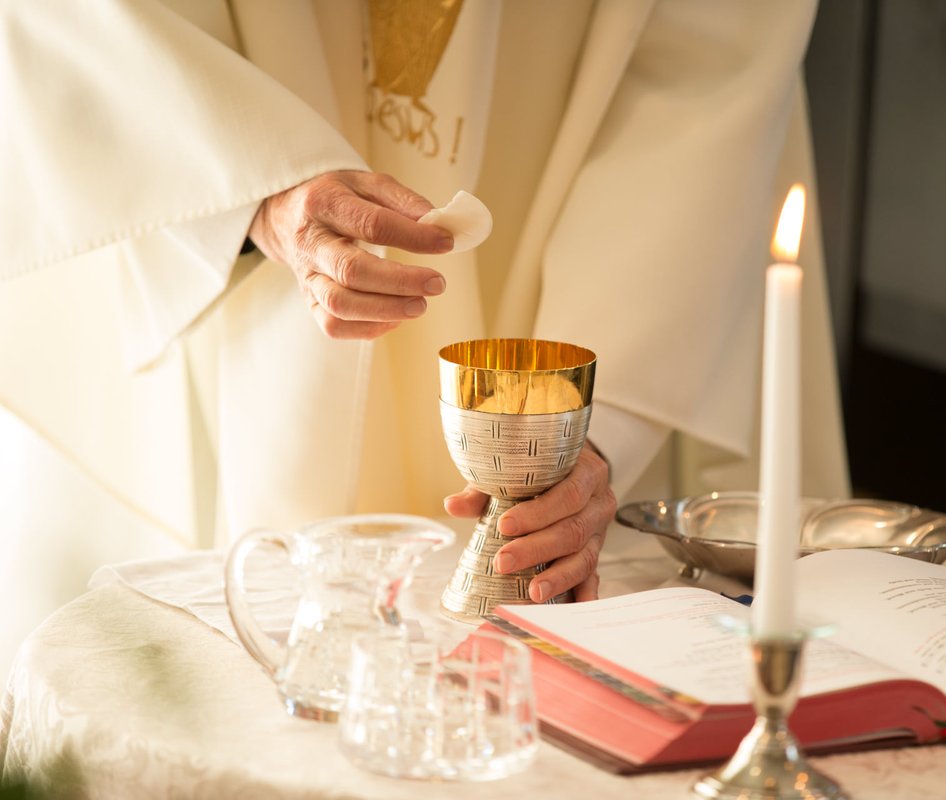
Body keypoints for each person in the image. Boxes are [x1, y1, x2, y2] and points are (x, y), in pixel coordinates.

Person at [0, 0, 848, 675]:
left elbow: (706, 68)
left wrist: (594, 428)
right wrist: (249, 184)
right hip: (230, 206)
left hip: (583, 216)